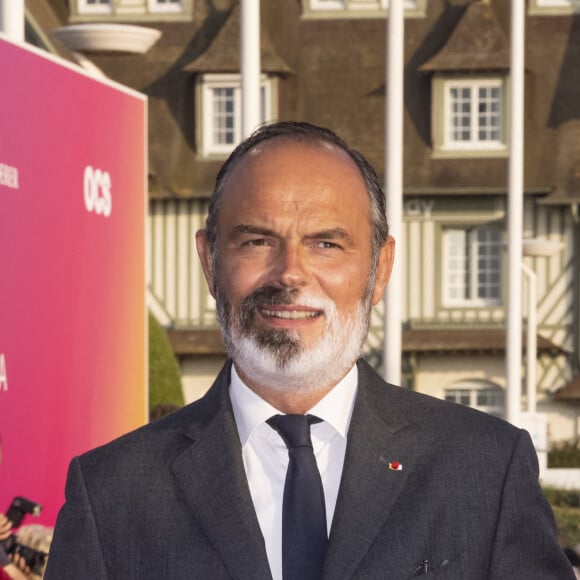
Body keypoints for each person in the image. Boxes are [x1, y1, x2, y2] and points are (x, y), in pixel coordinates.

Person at [44, 121, 574, 579]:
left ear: (379, 268)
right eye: (256, 241)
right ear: (210, 262)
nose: (291, 273)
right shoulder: (113, 492)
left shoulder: (483, 468)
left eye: (326, 243)